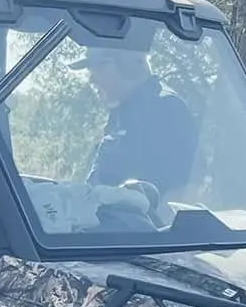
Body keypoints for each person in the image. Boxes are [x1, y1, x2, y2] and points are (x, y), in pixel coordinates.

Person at [81, 46, 198, 199]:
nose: (92, 79)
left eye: (100, 68)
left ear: (128, 65)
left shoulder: (167, 109)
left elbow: (179, 190)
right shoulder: (121, 111)